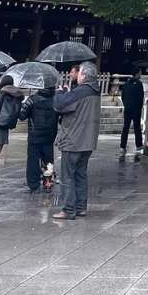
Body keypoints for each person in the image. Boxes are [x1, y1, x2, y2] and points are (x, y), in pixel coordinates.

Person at [52, 62, 100, 220]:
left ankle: (68, 209)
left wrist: (60, 93)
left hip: (73, 140)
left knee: (68, 176)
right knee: (81, 175)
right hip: (87, 141)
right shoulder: (95, 91)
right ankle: (81, 208)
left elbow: (60, 105)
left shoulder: (81, 91)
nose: (77, 76)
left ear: (84, 76)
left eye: (79, 74)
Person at [20, 86, 58, 193]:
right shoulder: (56, 100)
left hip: (34, 135)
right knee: (48, 160)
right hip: (50, 135)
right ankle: (48, 182)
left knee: (33, 160)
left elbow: (22, 115)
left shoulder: (33, 99)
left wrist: (22, 104)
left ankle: (33, 184)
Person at [118, 70, 145, 160]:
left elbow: (123, 96)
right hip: (136, 108)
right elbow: (141, 97)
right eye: (140, 73)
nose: (140, 75)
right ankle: (139, 145)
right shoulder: (139, 84)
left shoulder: (127, 83)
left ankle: (122, 146)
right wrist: (139, 107)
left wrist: (126, 104)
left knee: (125, 127)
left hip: (127, 108)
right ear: (137, 74)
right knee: (137, 128)